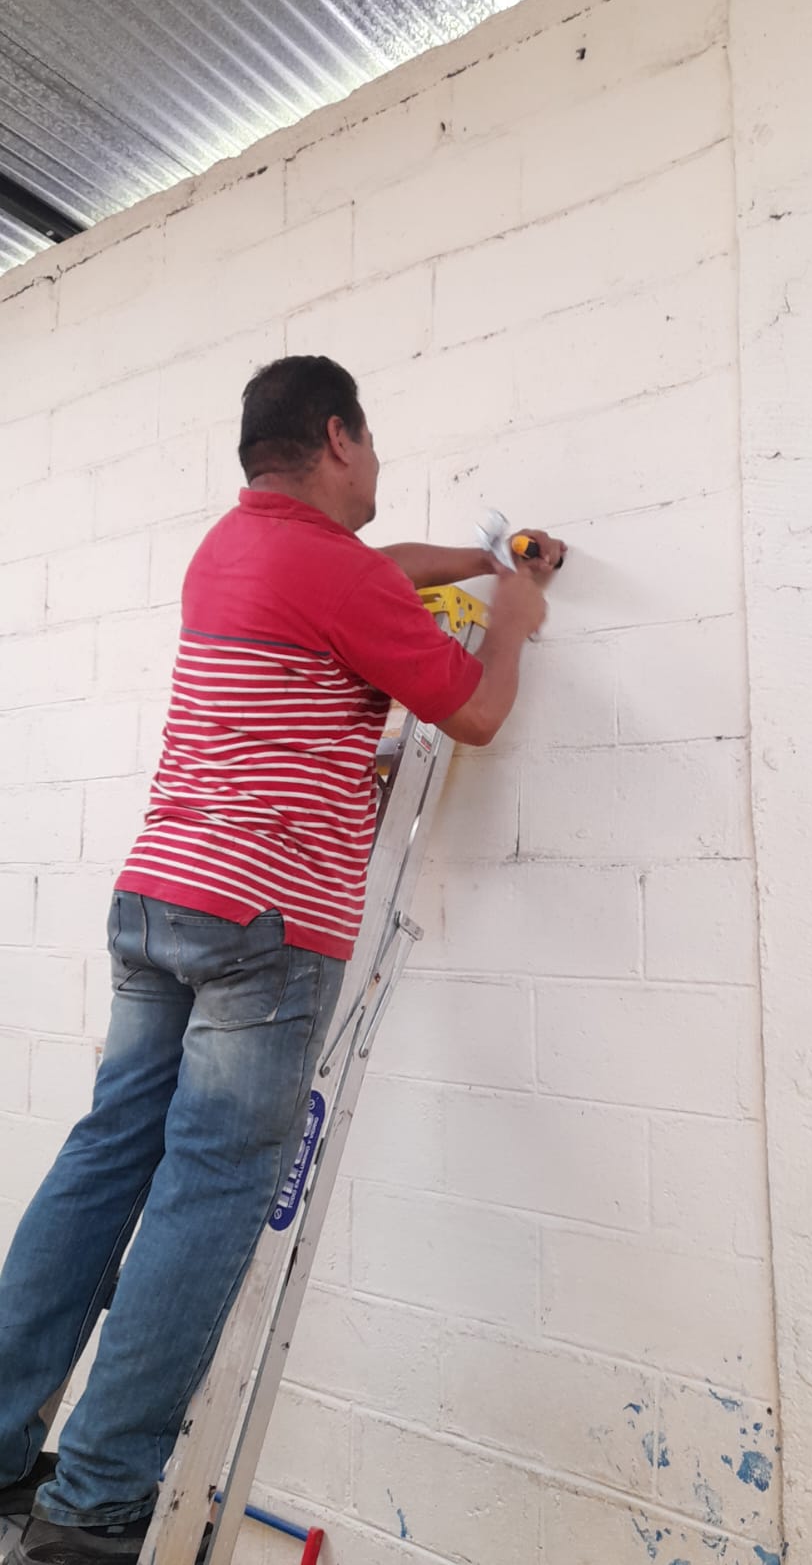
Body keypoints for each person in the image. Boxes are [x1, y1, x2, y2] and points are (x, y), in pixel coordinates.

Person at [0, 355, 564, 1565]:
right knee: (205, 1194)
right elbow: (471, 712)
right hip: (263, 925)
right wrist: (513, 621)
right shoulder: (331, 570)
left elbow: (375, 572)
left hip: (159, 895)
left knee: (101, 1163)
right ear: (338, 437)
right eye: (372, 443)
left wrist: (480, 561)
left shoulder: (232, 547)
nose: (377, 464)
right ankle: (93, 1511)